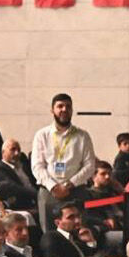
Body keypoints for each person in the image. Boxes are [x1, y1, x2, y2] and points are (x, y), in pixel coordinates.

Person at [30, 93, 96, 231]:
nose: (64, 109)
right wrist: (54, 186)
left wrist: (69, 185)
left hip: (76, 190)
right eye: (60, 106)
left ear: (72, 110)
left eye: (68, 106)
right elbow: (37, 166)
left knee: (79, 232)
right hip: (49, 192)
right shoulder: (42, 135)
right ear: (52, 110)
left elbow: (90, 166)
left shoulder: (83, 136)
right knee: (49, 234)